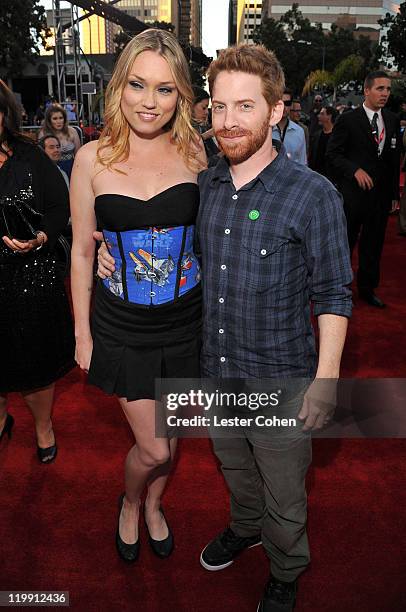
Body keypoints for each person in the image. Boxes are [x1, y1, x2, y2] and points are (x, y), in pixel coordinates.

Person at [97, 44, 353, 611]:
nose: (230, 121)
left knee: (285, 494)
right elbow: (151, 230)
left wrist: (327, 377)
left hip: (280, 381)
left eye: (245, 107)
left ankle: (285, 569)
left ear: (276, 111)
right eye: (219, 107)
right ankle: (244, 526)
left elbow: (334, 292)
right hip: (214, 373)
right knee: (235, 469)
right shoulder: (206, 185)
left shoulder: (313, 196)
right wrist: (102, 249)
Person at [70, 29, 206, 564]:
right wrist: (81, 333)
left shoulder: (197, 152)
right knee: (153, 445)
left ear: (182, 97)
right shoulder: (90, 159)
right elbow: (83, 251)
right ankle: (131, 503)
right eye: (138, 85)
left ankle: (154, 504)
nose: (150, 102)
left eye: (166, 90)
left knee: (171, 443)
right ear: (118, 87)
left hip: (186, 320)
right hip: (121, 323)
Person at [0, 80, 75, 462]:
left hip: (31, 275)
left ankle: (43, 427)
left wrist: (41, 236)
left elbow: (61, 207)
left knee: (34, 363)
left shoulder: (29, 157)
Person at [326, 70, 402, 308]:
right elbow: (333, 154)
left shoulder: (391, 119)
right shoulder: (348, 120)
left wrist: (393, 195)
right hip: (352, 197)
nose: (385, 94)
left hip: (379, 198)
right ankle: (339, 288)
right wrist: (354, 170)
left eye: (388, 89)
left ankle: (367, 289)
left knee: (373, 244)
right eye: (380, 89)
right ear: (366, 90)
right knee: (346, 242)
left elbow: (392, 161)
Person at [39, 104, 81, 179]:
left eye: (61, 118)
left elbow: (78, 155)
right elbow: (41, 157)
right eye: (55, 118)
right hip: (52, 169)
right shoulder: (43, 133)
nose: (58, 121)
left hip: (72, 168)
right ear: (49, 120)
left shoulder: (72, 131)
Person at [272, 89, 307, 164]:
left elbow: (302, 162)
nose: (284, 107)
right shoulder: (266, 130)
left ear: (291, 106)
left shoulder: (299, 131)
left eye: (287, 103)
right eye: (280, 103)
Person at [308, 105, 338, 180]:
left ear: (329, 116)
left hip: (332, 178)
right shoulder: (316, 135)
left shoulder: (338, 136)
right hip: (316, 176)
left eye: (322, 114)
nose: (318, 116)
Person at [191, 85, 219, 163]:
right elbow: (200, 164)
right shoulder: (179, 131)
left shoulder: (201, 127)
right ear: (190, 106)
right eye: (203, 108)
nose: (207, 112)